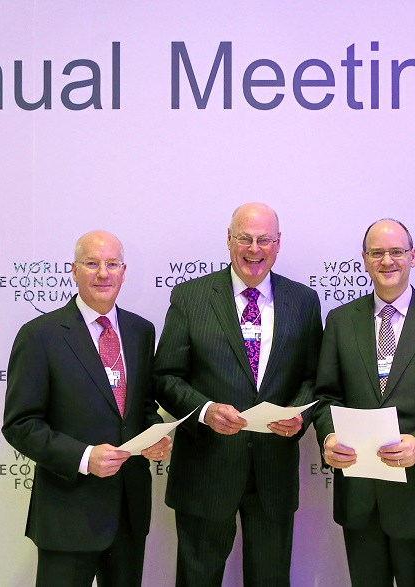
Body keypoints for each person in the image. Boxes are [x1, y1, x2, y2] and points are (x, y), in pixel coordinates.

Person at [153, 202, 323, 587]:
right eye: (244, 238)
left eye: (264, 240)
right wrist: (206, 410)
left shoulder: (304, 302)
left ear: (278, 244)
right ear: (228, 241)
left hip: (273, 470)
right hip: (206, 469)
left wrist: (300, 415)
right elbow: (165, 376)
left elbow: (315, 379)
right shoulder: (190, 298)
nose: (254, 249)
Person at [313, 218, 415, 587]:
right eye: (377, 253)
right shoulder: (340, 322)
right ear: (365, 259)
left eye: (397, 252)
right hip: (360, 498)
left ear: (413, 256)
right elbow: (325, 396)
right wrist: (328, 438)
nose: (387, 261)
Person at [2, 230, 171, 587]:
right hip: (68, 512)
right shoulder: (40, 336)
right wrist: (84, 457)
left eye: (112, 264)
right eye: (91, 264)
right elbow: (20, 424)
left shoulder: (142, 331)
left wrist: (152, 436)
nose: (103, 273)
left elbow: (140, 406)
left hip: (129, 510)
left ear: (124, 271)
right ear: (74, 270)